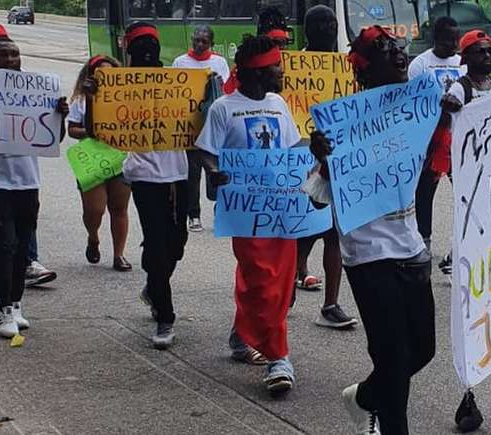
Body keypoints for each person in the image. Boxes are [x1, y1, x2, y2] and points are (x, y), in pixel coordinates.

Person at [308, 26, 435, 435]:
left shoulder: (419, 108)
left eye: (398, 47)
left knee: (423, 350)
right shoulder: (342, 124)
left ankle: (364, 397)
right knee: (394, 358)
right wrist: (326, 162)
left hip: (411, 247)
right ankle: (390, 424)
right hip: (368, 256)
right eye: (384, 50)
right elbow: (315, 200)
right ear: (363, 71)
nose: (398, 54)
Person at [196, 34, 300, 394]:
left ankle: (243, 334)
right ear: (257, 72)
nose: (280, 73)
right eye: (276, 67)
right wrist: (213, 171)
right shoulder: (224, 107)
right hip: (245, 209)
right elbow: (206, 151)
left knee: (281, 285)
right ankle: (278, 359)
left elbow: (290, 149)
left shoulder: (278, 103)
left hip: (281, 206)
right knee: (260, 278)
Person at [0, 35, 69, 337]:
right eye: (4, 55)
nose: (11, 60)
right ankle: (3, 309)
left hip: (28, 182)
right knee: (2, 247)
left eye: (15, 55)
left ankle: (16, 302)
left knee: (20, 251)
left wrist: (59, 117)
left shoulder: (34, 90)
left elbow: (54, 140)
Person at [123, 22, 189, 350]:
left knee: (176, 243)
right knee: (158, 245)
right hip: (144, 176)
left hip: (178, 174)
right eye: (140, 46)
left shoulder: (176, 81)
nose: (147, 50)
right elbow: (99, 129)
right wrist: (94, 98)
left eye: (152, 44)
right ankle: (165, 315)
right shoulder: (118, 85)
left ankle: (153, 283)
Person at [294, 4, 358, 330]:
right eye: (321, 25)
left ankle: (330, 303)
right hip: (300, 154)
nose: (328, 30)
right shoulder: (292, 68)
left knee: (334, 230)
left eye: (331, 24)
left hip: (336, 156)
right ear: (308, 30)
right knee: (306, 224)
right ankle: (296, 269)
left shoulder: (347, 66)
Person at [434, 29, 491, 275]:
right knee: (471, 209)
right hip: (466, 164)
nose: (487, 56)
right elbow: (444, 128)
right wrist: (445, 109)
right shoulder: (459, 89)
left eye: (490, 51)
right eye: (480, 52)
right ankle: (460, 258)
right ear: (466, 58)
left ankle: (457, 256)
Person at [66, 55, 132, 272]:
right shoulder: (81, 101)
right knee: (94, 210)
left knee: (119, 208)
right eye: (101, 72)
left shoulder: (126, 98)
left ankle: (118, 254)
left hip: (119, 156)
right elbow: (72, 129)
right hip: (92, 157)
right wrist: (91, 132)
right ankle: (93, 237)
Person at [409, 16, 461, 275]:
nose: (454, 43)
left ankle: (457, 249)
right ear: (436, 39)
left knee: (464, 192)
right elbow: (415, 103)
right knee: (425, 192)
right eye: (449, 39)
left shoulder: (461, 63)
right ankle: (424, 241)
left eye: (456, 38)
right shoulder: (420, 65)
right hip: (431, 141)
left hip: (458, 140)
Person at [173, 25, 230, 232]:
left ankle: (219, 209)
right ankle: (193, 214)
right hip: (190, 125)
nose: (199, 44)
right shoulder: (180, 62)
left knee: (215, 169)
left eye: (203, 41)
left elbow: (226, 90)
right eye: (196, 40)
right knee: (192, 172)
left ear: (211, 44)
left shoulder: (219, 62)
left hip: (213, 125)